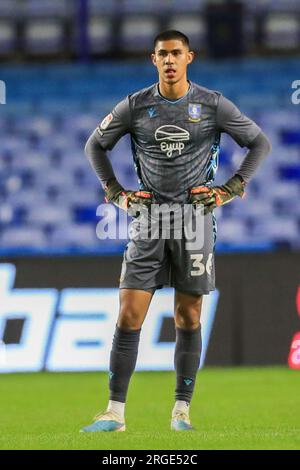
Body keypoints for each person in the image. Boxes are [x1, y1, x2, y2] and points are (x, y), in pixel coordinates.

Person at [81, 30, 271, 432]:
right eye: (163, 54)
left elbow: (259, 143)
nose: (169, 60)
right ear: (153, 59)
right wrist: (115, 193)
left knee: (188, 316)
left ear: (190, 57)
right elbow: (94, 146)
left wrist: (230, 190)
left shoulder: (213, 104)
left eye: (176, 54)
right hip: (148, 221)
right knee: (129, 314)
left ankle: (181, 411)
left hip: (195, 221)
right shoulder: (135, 106)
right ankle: (114, 412)